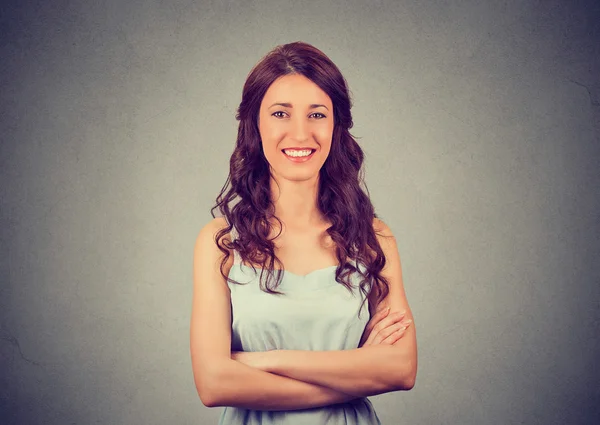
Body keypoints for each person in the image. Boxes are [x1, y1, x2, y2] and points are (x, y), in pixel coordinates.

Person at [190, 41, 417, 424]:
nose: (300, 133)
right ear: (255, 124)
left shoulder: (373, 238)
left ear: (336, 125)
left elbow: (401, 369)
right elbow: (213, 384)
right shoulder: (221, 243)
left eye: (317, 114)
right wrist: (358, 372)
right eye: (280, 113)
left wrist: (266, 362)